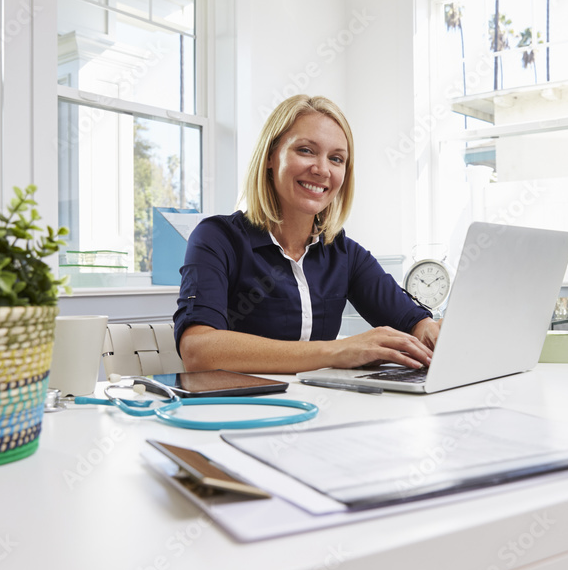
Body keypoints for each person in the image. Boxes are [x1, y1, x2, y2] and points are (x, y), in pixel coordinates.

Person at [174, 95, 441, 373]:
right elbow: (197, 350)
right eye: (305, 150)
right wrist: (337, 350)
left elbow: (412, 320)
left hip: (318, 408)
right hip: (241, 410)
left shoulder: (344, 254)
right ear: (269, 156)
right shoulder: (217, 238)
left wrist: (427, 330)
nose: (322, 170)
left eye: (336, 159)